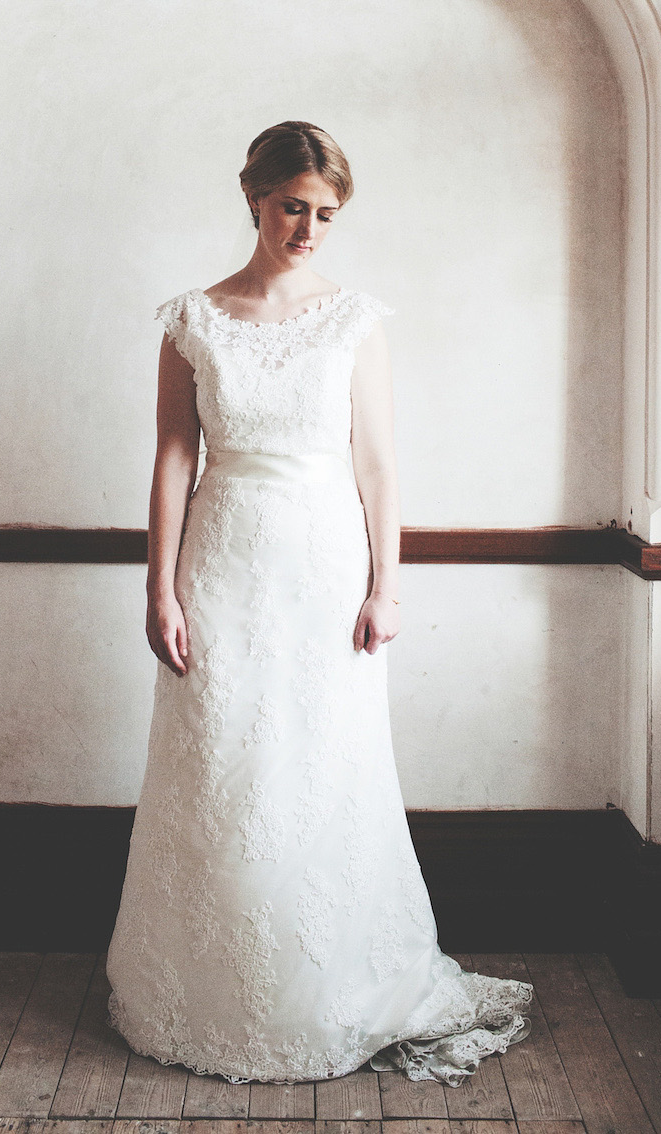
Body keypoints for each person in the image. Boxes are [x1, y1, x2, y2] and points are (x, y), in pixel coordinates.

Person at [105, 120, 532, 1084]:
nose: (308, 229)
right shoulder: (194, 320)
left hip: (324, 569)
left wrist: (387, 583)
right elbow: (175, 459)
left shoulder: (354, 319)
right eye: (293, 207)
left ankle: (334, 984)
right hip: (223, 562)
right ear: (253, 197)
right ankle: (204, 992)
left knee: (324, 770)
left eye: (327, 214)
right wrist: (159, 585)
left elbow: (375, 462)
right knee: (220, 767)